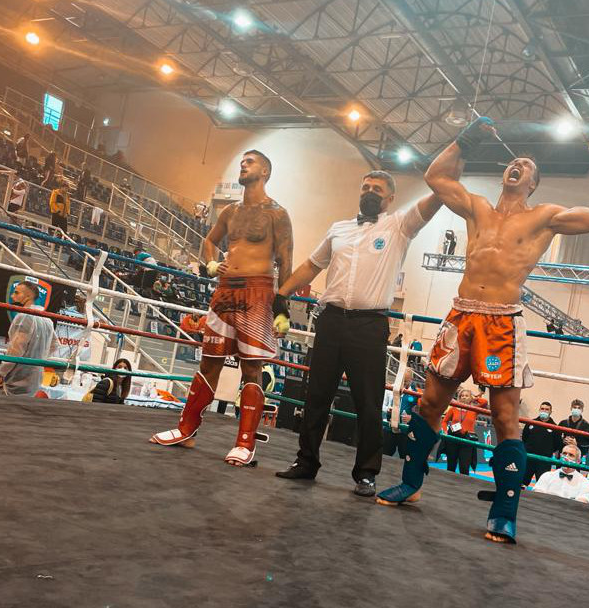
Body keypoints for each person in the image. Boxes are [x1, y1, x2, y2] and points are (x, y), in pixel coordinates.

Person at [376, 115, 589, 544]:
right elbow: (435, 175)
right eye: (515, 161)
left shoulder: (545, 216)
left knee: (506, 416)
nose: (518, 165)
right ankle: (411, 483)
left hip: (501, 322)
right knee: (431, 402)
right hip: (460, 315)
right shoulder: (477, 207)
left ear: (533, 183)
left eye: (527, 166)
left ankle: (505, 511)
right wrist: (465, 139)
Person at [273, 168, 456, 497]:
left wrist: (455, 160)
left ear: (390, 198)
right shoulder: (338, 229)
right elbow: (312, 266)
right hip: (329, 320)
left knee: (368, 403)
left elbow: (437, 197)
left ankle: (366, 473)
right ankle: (306, 461)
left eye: (377, 188)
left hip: (369, 325)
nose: (369, 192)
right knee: (316, 397)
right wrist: (281, 294)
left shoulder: (399, 225)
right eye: (366, 187)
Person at [150, 150, 293, 467]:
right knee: (209, 362)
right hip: (224, 292)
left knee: (251, 368)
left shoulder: (277, 214)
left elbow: (286, 261)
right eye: (242, 161)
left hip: (257, 292)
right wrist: (212, 263)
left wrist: (282, 307)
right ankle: (186, 430)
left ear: (265, 171)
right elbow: (210, 241)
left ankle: (245, 443)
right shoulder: (230, 211)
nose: (243, 165)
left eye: (250, 161)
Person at [0, 281, 57, 396]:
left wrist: (1, 373)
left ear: (28, 297)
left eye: (17, 293)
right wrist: (38, 358)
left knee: (5, 409)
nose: (13, 296)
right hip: (35, 376)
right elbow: (54, 345)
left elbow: (16, 350)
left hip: (18, 376)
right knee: (23, 408)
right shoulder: (47, 320)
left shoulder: (24, 316)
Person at [521, 401, 563, 485]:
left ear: (550, 412)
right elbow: (524, 438)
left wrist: (547, 451)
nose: (544, 411)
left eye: (547, 409)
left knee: (542, 485)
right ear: (539, 410)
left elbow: (557, 444)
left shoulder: (555, 427)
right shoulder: (531, 423)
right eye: (542, 409)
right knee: (522, 483)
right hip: (529, 458)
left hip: (544, 461)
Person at [441, 389, 478, 475]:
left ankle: (463, 486)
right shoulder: (453, 408)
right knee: (451, 466)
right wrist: (445, 431)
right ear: (459, 397)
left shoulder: (474, 410)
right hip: (453, 438)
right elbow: (444, 421)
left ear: (470, 397)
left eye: (466, 395)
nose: (464, 397)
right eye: (462, 396)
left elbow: (484, 402)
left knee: (464, 467)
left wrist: (475, 398)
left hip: (467, 440)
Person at [382, 368, 417, 459]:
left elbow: (418, 412)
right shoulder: (390, 388)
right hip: (389, 427)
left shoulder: (415, 393)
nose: (403, 383)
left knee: (405, 457)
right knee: (385, 455)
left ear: (411, 380)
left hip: (405, 431)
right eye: (401, 380)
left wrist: (411, 417)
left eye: (406, 380)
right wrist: (388, 410)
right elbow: (382, 406)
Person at [559, 399, 589, 463]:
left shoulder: (586, 425)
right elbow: (557, 437)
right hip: (563, 455)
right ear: (571, 408)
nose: (576, 409)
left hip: (576, 457)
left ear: (582, 410)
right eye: (574, 407)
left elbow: (588, 444)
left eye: (579, 408)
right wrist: (563, 441)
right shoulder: (563, 423)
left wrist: (576, 444)